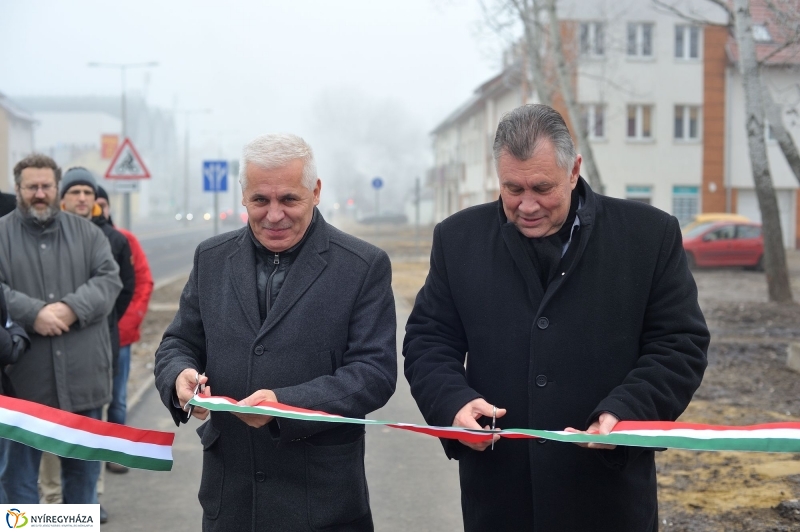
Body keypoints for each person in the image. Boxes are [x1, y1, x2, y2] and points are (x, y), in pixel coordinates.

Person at [403, 104, 710, 532]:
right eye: (512, 188)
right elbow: (428, 341)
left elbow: (679, 345)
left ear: (573, 170)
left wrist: (628, 410)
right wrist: (451, 401)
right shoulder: (457, 239)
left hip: (607, 496)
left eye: (542, 187)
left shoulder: (648, 236)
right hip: (498, 499)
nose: (526, 205)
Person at [154, 133, 397, 532]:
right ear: (243, 195)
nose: (274, 214)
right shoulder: (211, 258)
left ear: (315, 191)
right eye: (260, 200)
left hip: (322, 502)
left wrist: (286, 403)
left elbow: (375, 373)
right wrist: (178, 376)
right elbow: (180, 342)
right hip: (230, 498)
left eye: (289, 199)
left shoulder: (362, 265)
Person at [0, 153, 122, 504]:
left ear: (57, 188)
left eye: (46, 186)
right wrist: (33, 313)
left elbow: (109, 280)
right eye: (31, 187)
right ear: (18, 188)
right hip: (20, 386)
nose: (39, 193)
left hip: (83, 384)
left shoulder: (89, 234)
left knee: (81, 484)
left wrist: (71, 309)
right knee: (18, 484)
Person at [95, 185, 154, 472]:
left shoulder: (124, 240)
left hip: (119, 336)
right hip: (85, 339)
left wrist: (123, 325)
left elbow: (140, 284)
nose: (96, 208)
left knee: (117, 399)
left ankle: (115, 454)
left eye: (101, 203)